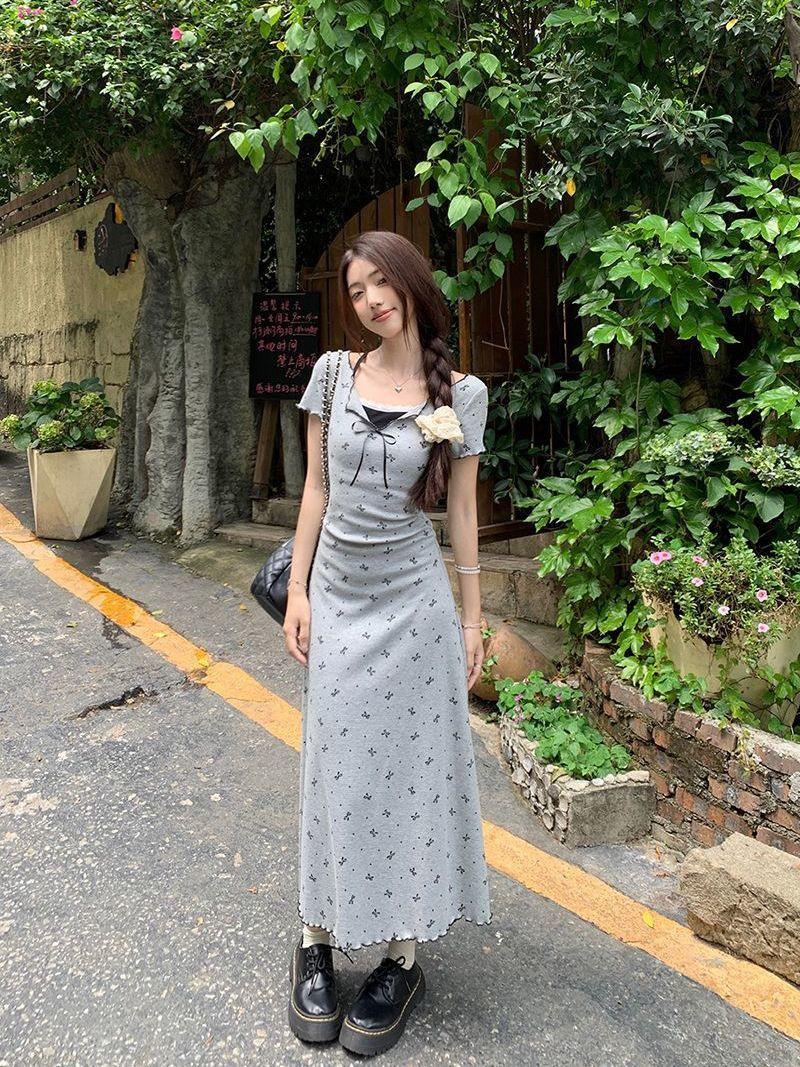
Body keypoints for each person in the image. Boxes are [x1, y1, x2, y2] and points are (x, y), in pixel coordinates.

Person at [284, 229, 492, 1057]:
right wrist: (298, 588)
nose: (370, 300)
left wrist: (472, 619)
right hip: (338, 597)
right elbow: (315, 487)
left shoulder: (461, 394)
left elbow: (463, 513)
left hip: (415, 607)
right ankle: (315, 936)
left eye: (381, 282)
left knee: (408, 771)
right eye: (356, 289)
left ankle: (402, 957)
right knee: (333, 762)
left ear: (410, 282)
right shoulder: (333, 374)